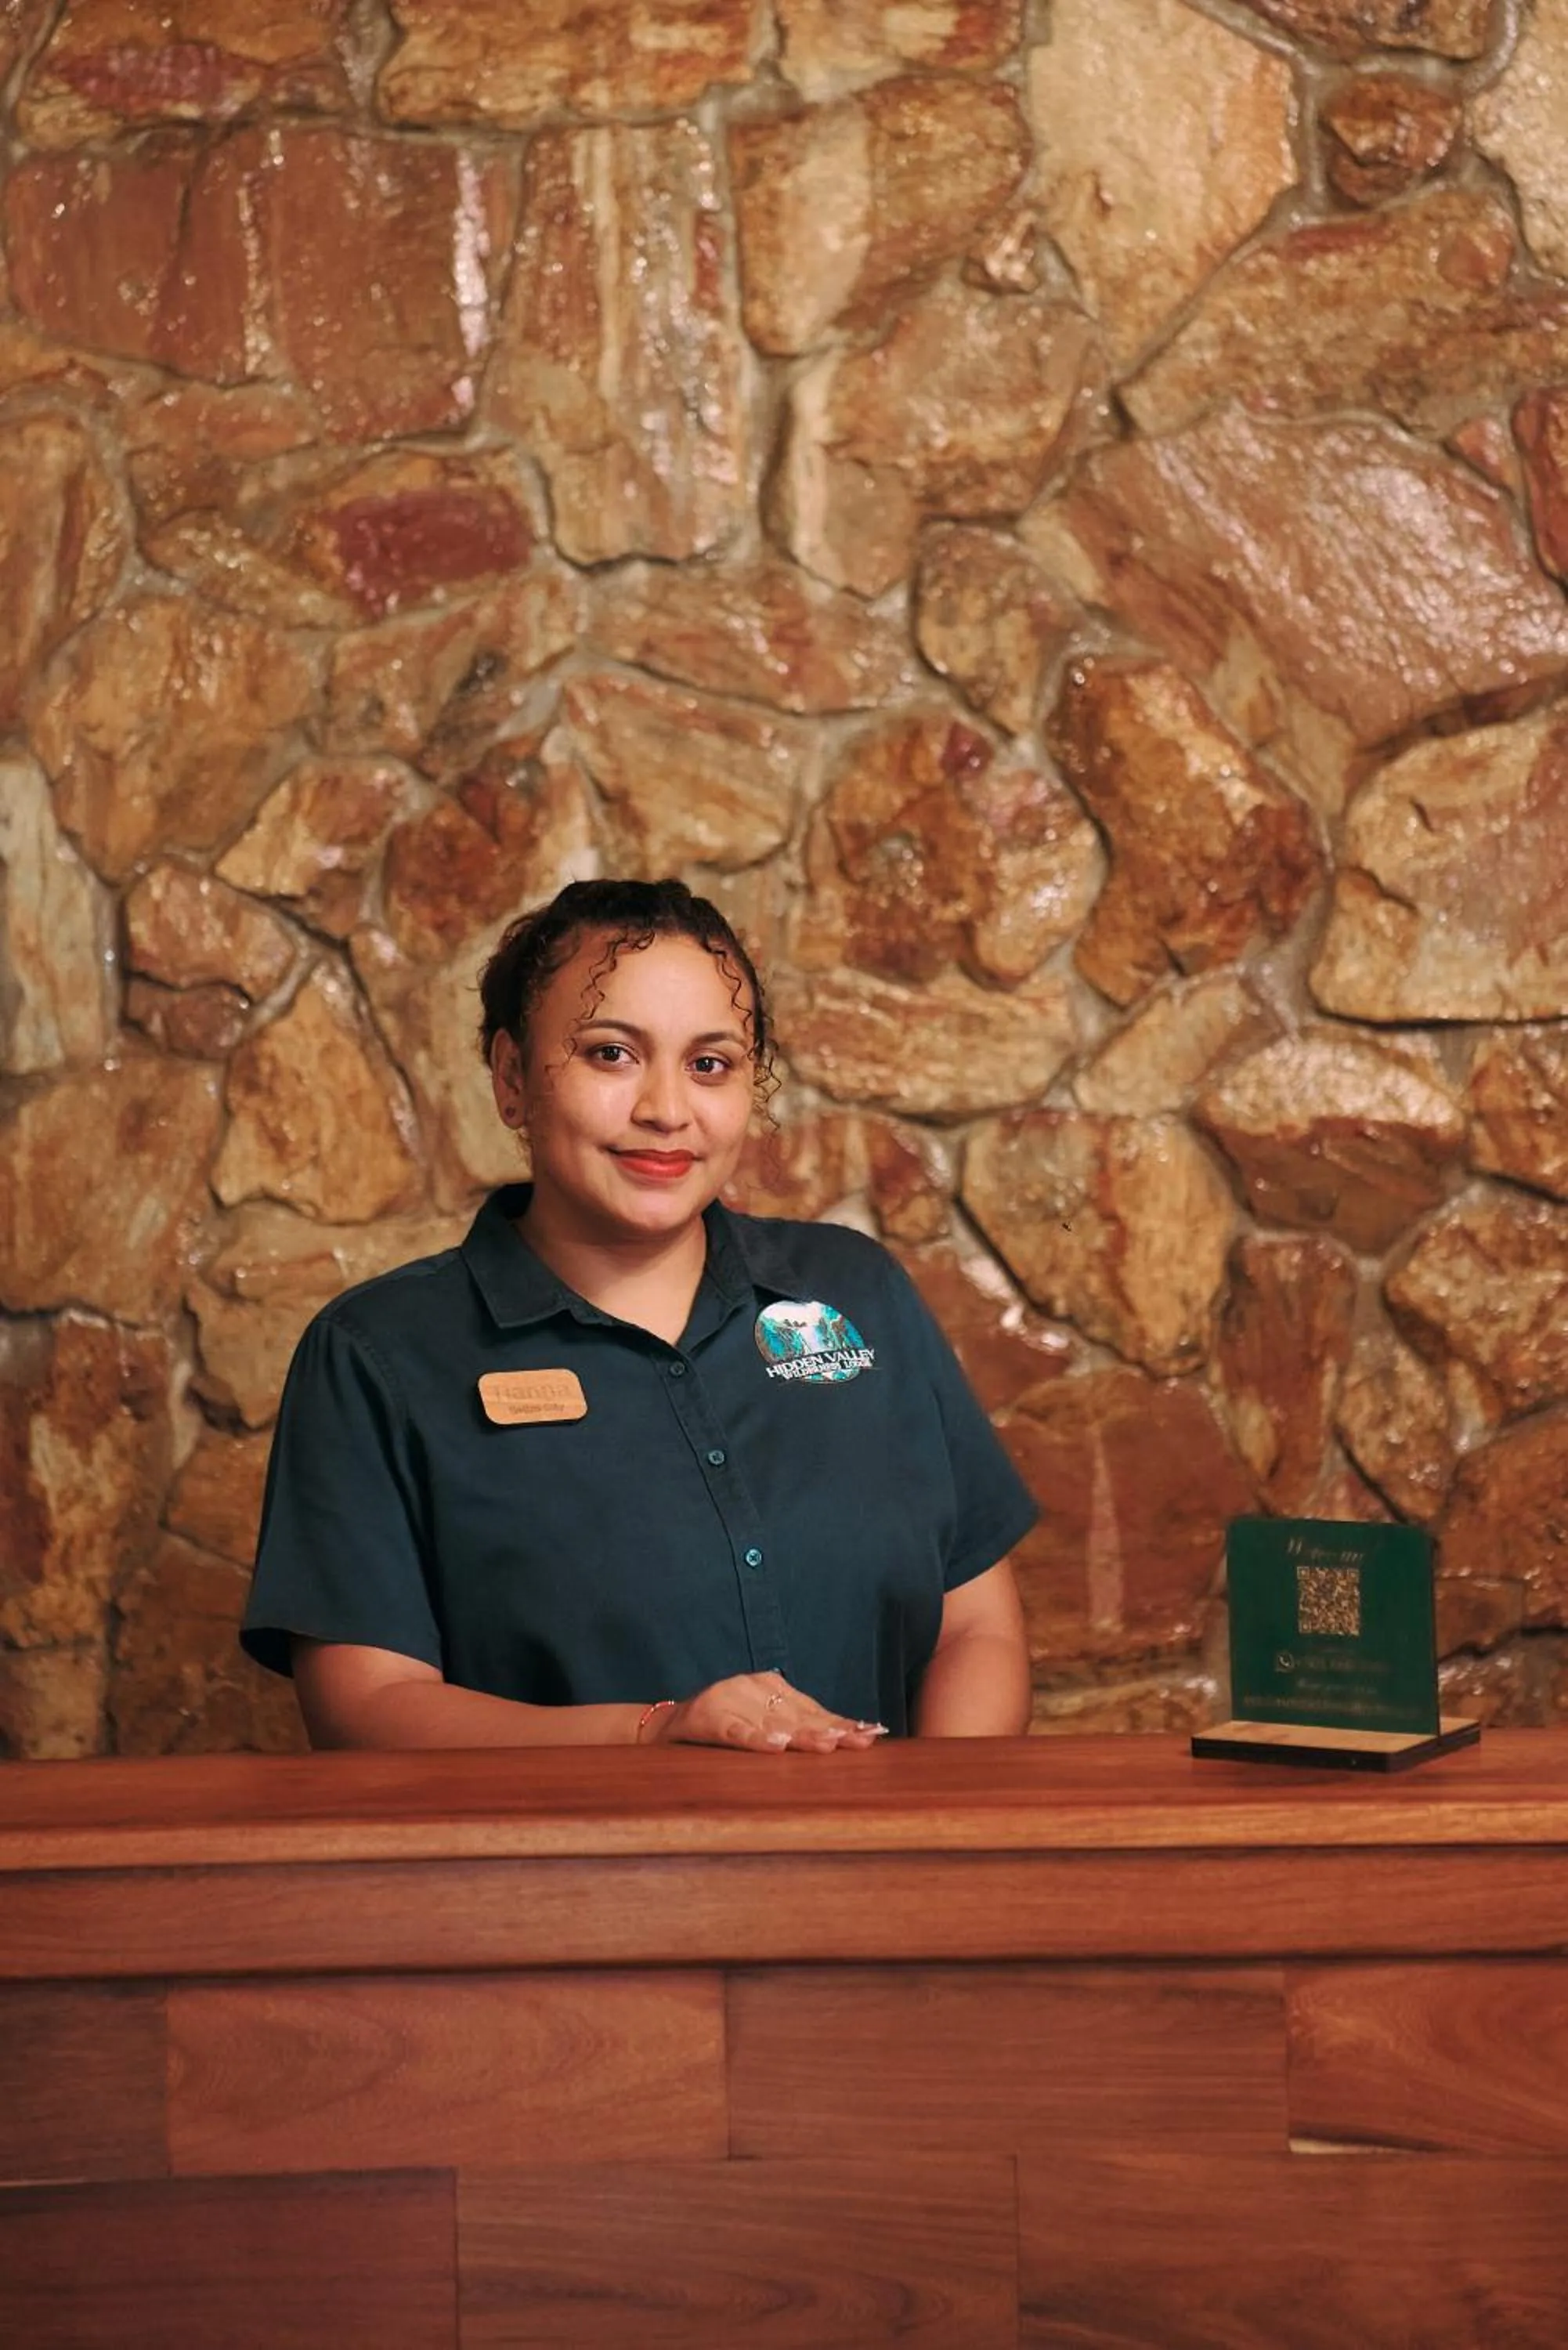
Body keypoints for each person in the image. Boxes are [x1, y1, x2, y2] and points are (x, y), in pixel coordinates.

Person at [241, 877, 1037, 1752]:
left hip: (876, 1882)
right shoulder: (376, 1356)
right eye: (610, 1054)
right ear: (512, 1080)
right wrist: (652, 1736)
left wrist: (935, 1835)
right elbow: (366, 1709)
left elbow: (976, 1628)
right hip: (559, 1888)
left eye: (710, 1064)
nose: (666, 1110)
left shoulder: (857, 1294)